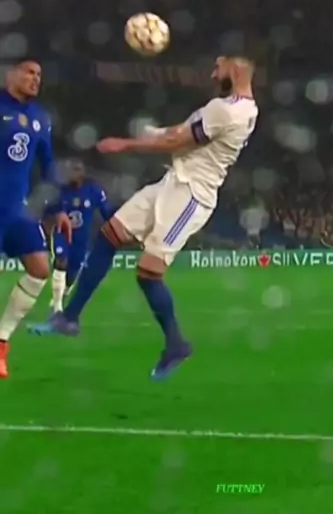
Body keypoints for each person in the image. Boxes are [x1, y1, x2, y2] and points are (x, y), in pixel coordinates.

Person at [30, 55, 258, 380]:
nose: (212, 74)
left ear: (234, 70)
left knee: (148, 274)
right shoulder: (241, 108)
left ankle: (176, 344)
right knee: (110, 235)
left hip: (191, 195)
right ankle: (69, 318)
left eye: (217, 68)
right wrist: (157, 130)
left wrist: (126, 144)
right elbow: (183, 132)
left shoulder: (226, 110)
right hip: (173, 182)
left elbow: (176, 141)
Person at [0, 60, 71, 378]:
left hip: (17, 209)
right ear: (12, 74)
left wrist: (57, 209)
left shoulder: (41, 118)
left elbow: (48, 166)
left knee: (40, 269)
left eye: (39, 75)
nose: (35, 79)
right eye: (29, 72)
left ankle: (1, 342)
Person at [44, 159, 113, 313]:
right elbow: (48, 211)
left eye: (76, 169)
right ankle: (57, 307)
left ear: (82, 173)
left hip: (81, 238)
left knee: (73, 272)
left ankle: (63, 294)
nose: (72, 173)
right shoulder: (60, 191)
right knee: (61, 262)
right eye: (70, 170)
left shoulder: (93, 191)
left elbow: (106, 212)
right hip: (62, 234)